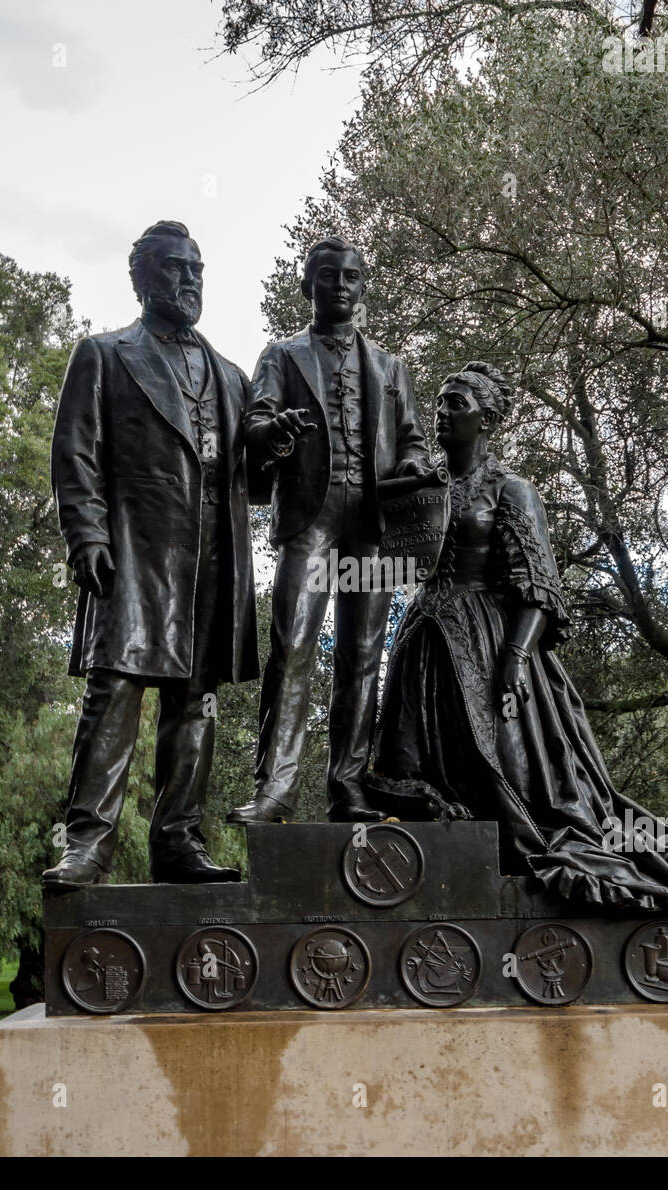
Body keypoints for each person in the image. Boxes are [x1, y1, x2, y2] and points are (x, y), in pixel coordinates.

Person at [368, 362, 668, 913]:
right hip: (424, 641)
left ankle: (512, 875)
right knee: (414, 767)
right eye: (440, 402)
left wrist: (515, 658)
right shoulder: (423, 486)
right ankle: (436, 878)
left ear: (487, 419)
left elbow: (538, 587)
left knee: (510, 770)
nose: (442, 412)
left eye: (457, 404)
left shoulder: (512, 491)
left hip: (489, 637)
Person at [44, 221, 261, 888]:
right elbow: (75, 454)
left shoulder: (230, 375)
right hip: (137, 550)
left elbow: (255, 486)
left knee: (195, 702)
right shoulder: (105, 355)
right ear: (141, 280)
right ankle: (88, 845)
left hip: (212, 557)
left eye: (196, 269)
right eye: (174, 269)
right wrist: (87, 535)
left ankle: (178, 841)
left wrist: (274, 448)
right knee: (114, 690)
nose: (189, 280)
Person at [227, 237, 433, 826]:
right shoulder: (283, 356)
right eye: (327, 276)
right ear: (307, 285)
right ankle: (276, 791)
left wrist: (416, 463)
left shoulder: (392, 368)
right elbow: (254, 425)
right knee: (292, 648)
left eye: (350, 277)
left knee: (363, 654)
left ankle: (348, 786)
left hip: (372, 522)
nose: (339, 286)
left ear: (362, 287)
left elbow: (413, 438)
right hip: (311, 518)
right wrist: (276, 431)